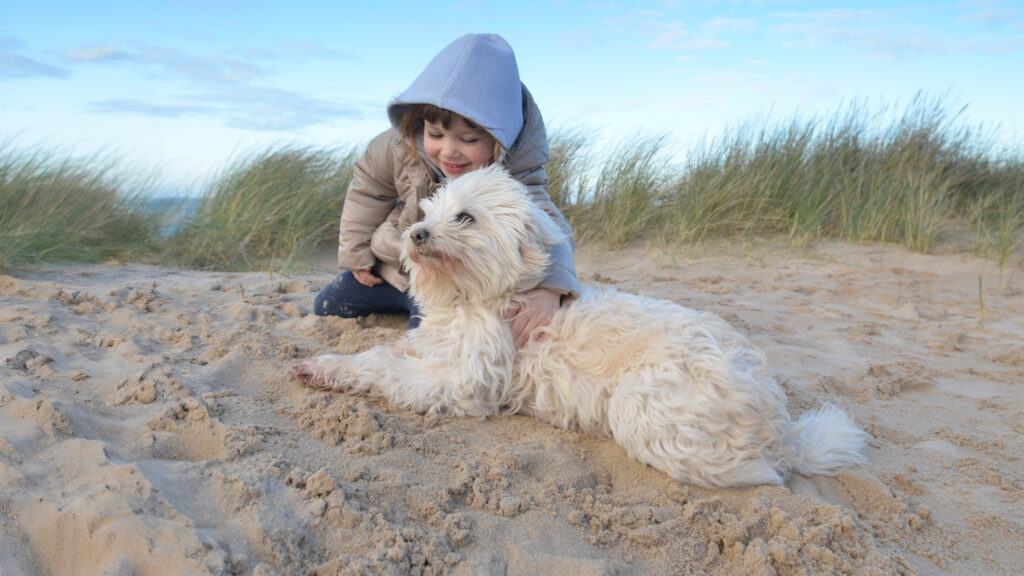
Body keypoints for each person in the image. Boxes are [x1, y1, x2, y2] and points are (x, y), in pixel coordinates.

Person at [314, 33, 579, 348]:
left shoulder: (516, 174)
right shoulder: (396, 146)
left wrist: (552, 290)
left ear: (501, 139)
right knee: (327, 305)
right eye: (436, 134)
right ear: (419, 122)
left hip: (453, 285)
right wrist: (357, 254)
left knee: (430, 343)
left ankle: (417, 315)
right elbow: (367, 192)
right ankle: (399, 301)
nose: (448, 151)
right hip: (396, 268)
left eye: (468, 140)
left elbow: (549, 227)